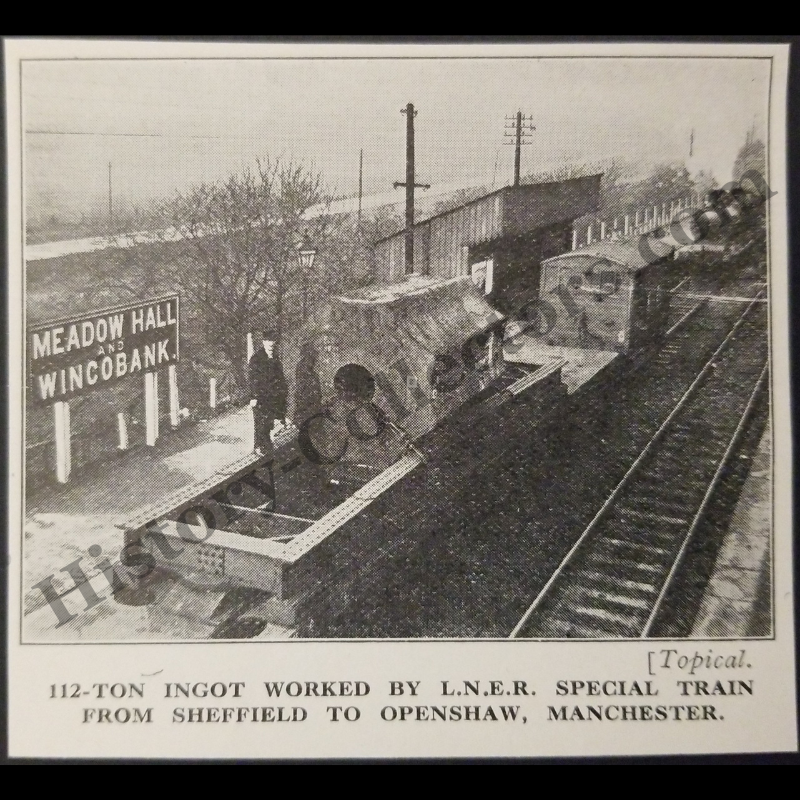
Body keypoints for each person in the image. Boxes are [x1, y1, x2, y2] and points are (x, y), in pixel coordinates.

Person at [249, 329, 288, 455]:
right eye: (268, 341)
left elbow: (279, 376)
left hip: (273, 396)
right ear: (263, 342)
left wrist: (282, 391)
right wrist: (254, 396)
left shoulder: (275, 357)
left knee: (269, 421)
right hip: (261, 396)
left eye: (273, 341)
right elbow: (253, 379)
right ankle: (260, 447)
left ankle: (263, 446)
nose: (271, 344)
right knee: (261, 421)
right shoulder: (256, 359)